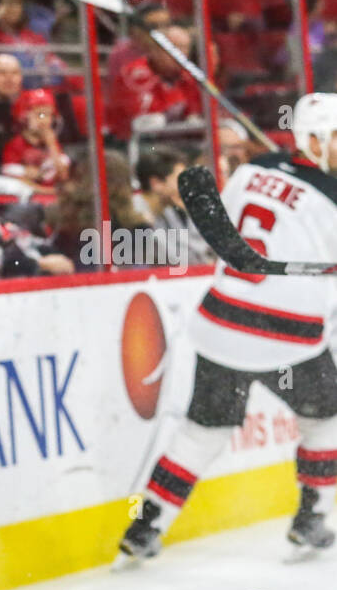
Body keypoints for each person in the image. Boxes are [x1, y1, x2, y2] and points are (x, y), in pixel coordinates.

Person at [121, 93, 337, 561]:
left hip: (221, 322)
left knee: (203, 431)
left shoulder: (249, 171)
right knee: (327, 420)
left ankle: (146, 524)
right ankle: (312, 516)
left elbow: (226, 230)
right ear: (314, 141)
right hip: (288, 337)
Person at [1, 88, 69, 200]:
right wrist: (46, 191)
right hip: (27, 198)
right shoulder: (16, 144)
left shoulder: (52, 143)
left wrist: (52, 145)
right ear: (23, 116)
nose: (45, 120)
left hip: (51, 197)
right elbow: (13, 178)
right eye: (40, 115)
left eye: (49, 115)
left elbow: (63, 175)